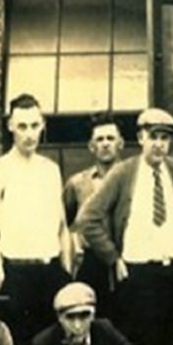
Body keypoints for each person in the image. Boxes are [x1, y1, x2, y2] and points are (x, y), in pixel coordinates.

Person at [77, 107, 173, 345]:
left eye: (164, 138)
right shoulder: (125, 173)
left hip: (170, 275)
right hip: (137, 278)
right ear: (140, 138)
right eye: (153, 137)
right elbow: (88, 218)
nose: (159, 144)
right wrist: (113, 257)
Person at [0, 93, 73, 345]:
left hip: (51, 271)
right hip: (16, 275)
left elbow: (61, 227)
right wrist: (1, 278)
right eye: (22, 126)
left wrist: (66, 273)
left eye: (34, 126)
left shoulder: (51, 170)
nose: (29, 134)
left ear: (42, 124)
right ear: (11, 126)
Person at [63, 112, 126, 317]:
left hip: (126, 260)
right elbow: (64, 221)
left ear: (121, 143)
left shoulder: (132, 179)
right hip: (92, 263)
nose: (105, 144)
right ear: (91, 146)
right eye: (100, 139)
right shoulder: (78, 184)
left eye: (110, 138)